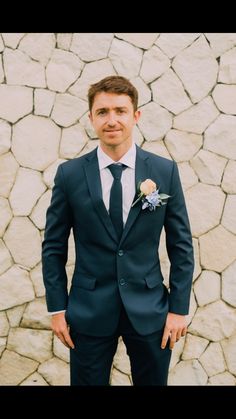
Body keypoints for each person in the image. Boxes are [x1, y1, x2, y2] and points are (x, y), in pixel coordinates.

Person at [42, 75, 194, 386]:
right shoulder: (69, 175)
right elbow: (53, 246)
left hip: (151, 309)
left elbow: (181, 246)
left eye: (120, 111)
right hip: (87, 310)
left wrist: (178, 310)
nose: (112, 120)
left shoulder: (164, 171)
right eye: (103, 112)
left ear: (135, 116)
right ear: (91, 118)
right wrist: (57, 308)